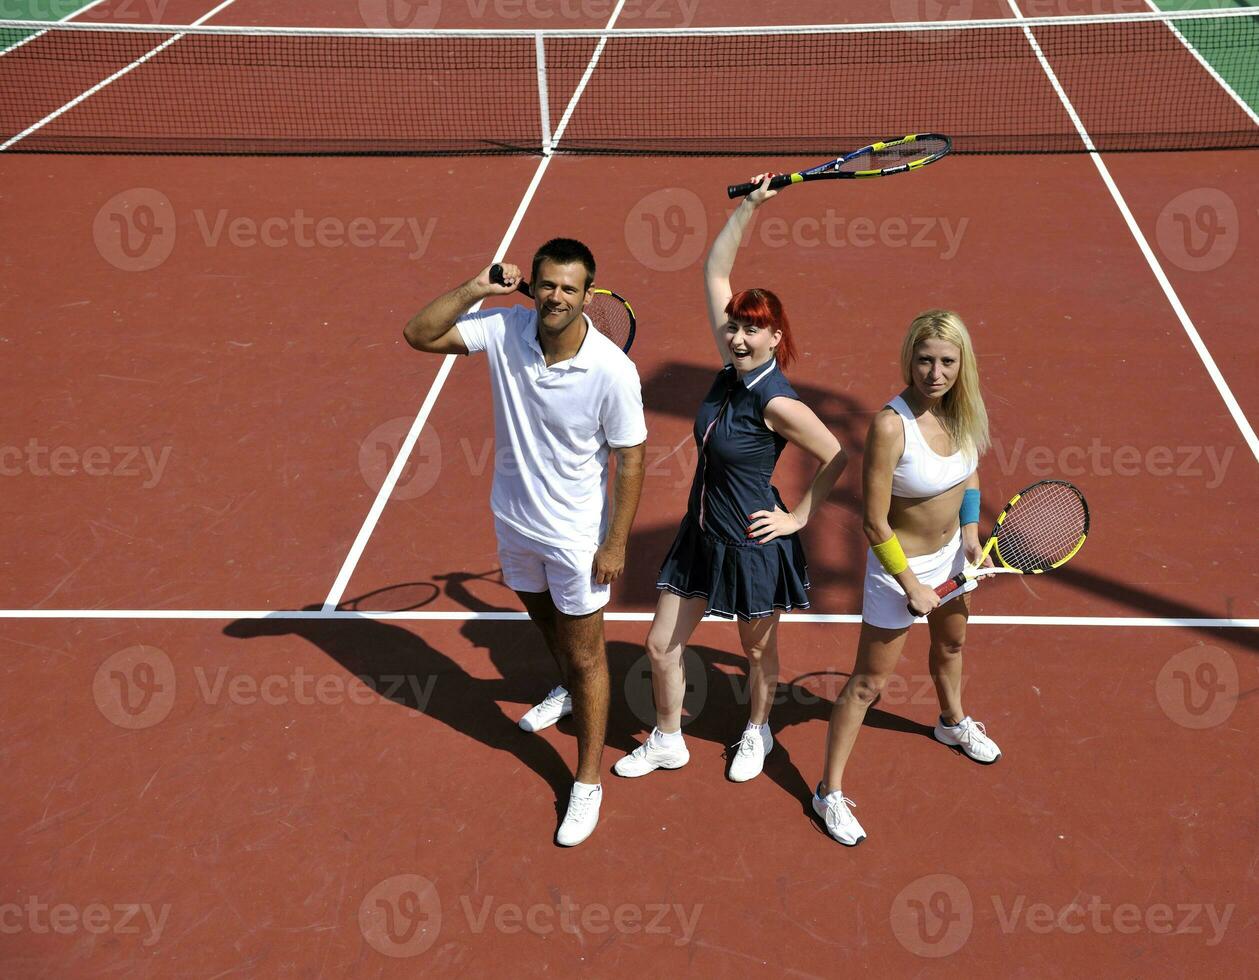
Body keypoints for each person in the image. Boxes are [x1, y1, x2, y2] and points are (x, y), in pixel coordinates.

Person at [403, 238, 647, 847]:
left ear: (589, 294)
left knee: (588, 653)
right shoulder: (506, 328)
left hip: (574, 536)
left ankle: (586, 782)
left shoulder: (613, 370)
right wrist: (476, 287)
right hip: (514, 521)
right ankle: (564, 688)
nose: (556, 296)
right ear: (530, 287)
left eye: (569, 287)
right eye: (546, 285)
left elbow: (632, 458)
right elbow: (419, 335)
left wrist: (615, 543)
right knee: (547, 625)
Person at [612, 175, 847, 783]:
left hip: (750, 542)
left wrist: (797, 517)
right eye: (736, 326)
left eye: (753, 329)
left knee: (757, 651)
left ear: (776, 336)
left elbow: (836, 454)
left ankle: (756, 730)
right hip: (699, 534)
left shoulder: (778, 402)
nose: (739, 336)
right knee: (661, 646)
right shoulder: (730, 366)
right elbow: (716, 270)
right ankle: (668, 738)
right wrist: (750, 206)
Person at [813, 309, 999, 847]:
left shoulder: (963, 413)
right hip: (899, 569)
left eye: (946, 361)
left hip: (950, 557)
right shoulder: (891, 425)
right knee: (869, 684)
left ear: (962, 365)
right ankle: (829, 791)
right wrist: (911, 585)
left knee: (953, 643)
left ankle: (950, 722)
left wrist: (968, 529)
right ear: (909, 361)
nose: (935, 373)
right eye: (925, 360)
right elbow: (873, 521)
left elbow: (969, 473)